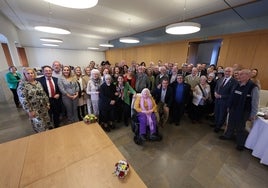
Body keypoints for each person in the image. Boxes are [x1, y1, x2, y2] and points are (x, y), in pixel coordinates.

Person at [219, 69, 259, 151]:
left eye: (241, 75)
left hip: (244, 111)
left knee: (240, 127)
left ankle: (240, 143)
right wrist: (228, 106)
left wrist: (253, 115)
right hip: (233, 108)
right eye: (238, 74)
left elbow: (255, 102)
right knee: (230, 123)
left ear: (247, 76)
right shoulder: (237, 84)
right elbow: (232, 96)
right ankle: (228, 135)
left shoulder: (253, 87)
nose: (238, 76)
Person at [17, 67, 52, 132]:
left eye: (32, 73)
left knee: (47, 123)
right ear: (25, 75)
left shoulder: (38, 83)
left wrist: (47, 103)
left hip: (43, 107)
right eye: (28, 73)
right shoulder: (22, 85)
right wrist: (29, 111)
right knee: (40, 125)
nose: (30, 74)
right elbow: (23, 100)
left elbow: (43, 93)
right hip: (34, 109)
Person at [213, 67, 237, 132]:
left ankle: (218, 126)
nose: (227, 73)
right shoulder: (220, 79)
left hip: (225, 101)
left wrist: (221, 96)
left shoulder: (234, 82)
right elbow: (216, 88)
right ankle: (215, 123)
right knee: (216, 113)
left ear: (232, 72)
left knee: (222, 115)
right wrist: (215, 93)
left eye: (229, 71)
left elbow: (232, 94)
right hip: (217, 100)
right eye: (226, 71)